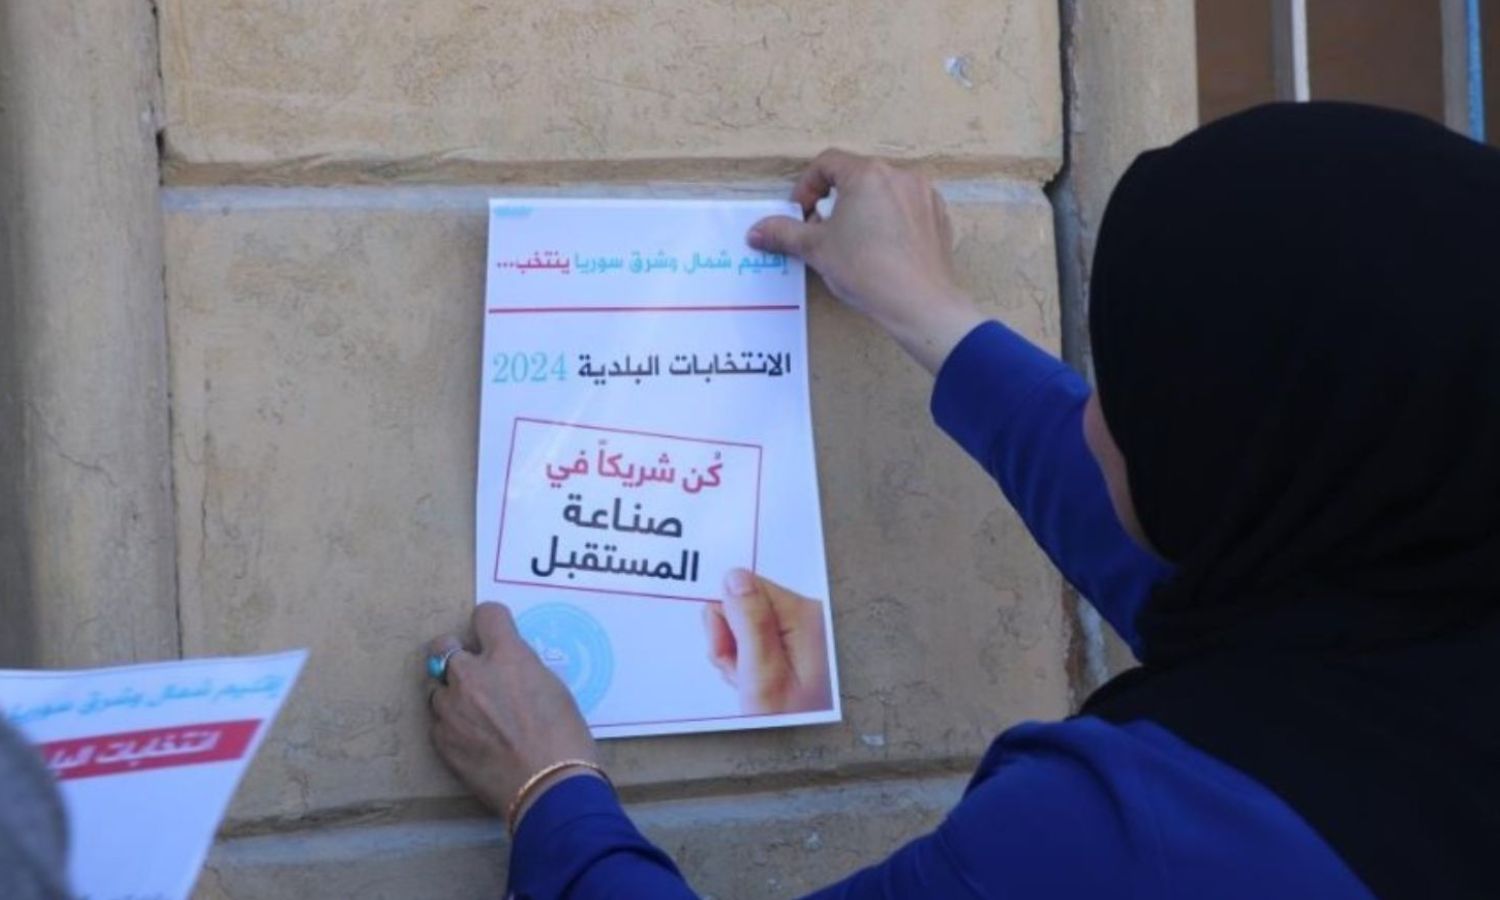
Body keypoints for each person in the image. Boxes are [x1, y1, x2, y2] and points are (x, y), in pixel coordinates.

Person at [426, 103, 1500, 899]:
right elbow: (1174, 556)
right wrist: (931, 315)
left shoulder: (1132, 843)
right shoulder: (1418, 573)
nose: (1090, 415)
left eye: (1134, 390)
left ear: (1253, 473)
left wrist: (550, 792)